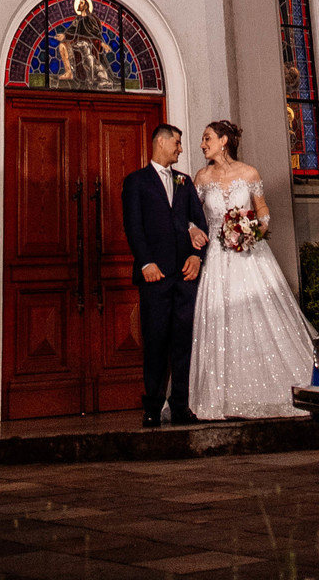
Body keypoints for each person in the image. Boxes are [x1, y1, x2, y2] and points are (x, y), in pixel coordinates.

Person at [188, 119, 315, 419]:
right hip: (216, 257)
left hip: (249, 254)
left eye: (207, 138)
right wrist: (192, 228)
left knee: (258, 314)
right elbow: (190, 213)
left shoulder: (249, 173)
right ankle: (221, 396)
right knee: (220, 315)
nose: (203, 144)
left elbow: (262, 209)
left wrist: (254, 230)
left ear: (223, 141)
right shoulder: (202, 177)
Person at [121, 123, 209, 427]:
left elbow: (199, 223)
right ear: (161, 142)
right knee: (156, 341)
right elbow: (133, 226)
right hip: (155, 277)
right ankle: (152, 406)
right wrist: (146, 263)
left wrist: (197, 257)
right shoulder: (136, 182)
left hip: (185, 276)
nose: (181, 149)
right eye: (177, 143)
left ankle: (180, 406)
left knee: (183, 343)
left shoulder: (184, 181)